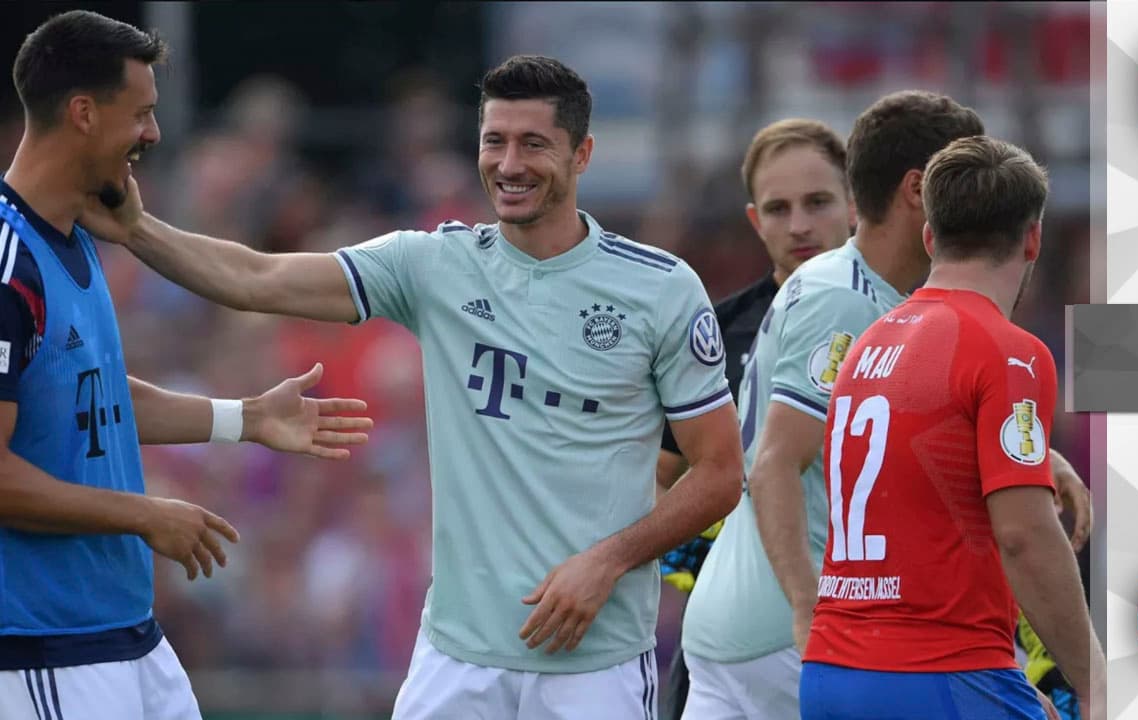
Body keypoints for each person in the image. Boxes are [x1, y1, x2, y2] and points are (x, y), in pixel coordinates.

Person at [82, 54, 745, 719]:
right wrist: (138, 230)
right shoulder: (435, 264)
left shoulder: (658, 289)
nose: (509, 164)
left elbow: (718, 473)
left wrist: (607, 561)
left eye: (534, 144)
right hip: (457, 657)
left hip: (594, 663)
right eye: (495, 141)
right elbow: (257, 278)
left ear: (583, 154)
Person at [0, 11, 372, 720]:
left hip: (128, 638)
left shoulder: (73, 238)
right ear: (83, 114)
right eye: (140, 113)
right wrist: (144, 514)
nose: (153, 134)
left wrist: (246, 418)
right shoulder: (6, 262)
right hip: (46, 653)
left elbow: (92, 394)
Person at [678, 91, 1093, 720]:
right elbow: (774, 464)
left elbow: (895, 436)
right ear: (921, 190)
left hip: (765, 631)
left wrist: (1035, 451)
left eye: (818, 201)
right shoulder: (845, 302)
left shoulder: (876, 306)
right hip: (812, 630)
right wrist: (804, 606)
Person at [799, 135, 1105, 720]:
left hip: (832, 675)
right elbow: (1023, 534)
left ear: (930, 237)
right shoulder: (1012, 351)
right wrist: (1095, 683)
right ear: (1033, 238)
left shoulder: (865, 345)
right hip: (940, 672)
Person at [656, 118, 854, 720]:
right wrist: (701, 557)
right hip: (733, 631)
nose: (799, 225)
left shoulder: (896, 314)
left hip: (858, 619)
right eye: (778, 208)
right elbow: (661, 474)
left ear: (853, 203)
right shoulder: (713, 331)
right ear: (754, 220)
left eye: (817, 202)